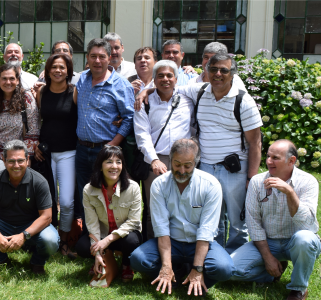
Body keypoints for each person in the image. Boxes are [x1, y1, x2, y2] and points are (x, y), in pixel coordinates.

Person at [171, 53, 262, 253]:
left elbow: (255, 143)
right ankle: (216, 255)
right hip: (205, 168)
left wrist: (251, 178)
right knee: (212, 216)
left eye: (224, 70)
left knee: (238, 219)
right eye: (213, 69)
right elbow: (171, 88)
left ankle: (236, 260)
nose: (218, 74)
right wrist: (146, 91)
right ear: (207, 71)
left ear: (232, 75)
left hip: (235, 171)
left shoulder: (243, 101)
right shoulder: (200, 91)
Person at [130, 139, 234, 297]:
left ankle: (197, 280)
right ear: (170, 160)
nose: (182, 170)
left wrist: (198, 268)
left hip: (199, 243)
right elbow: (161, 228)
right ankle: (174, 277)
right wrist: (165, 265)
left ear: (196, 163)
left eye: (188, 165)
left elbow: (206, 231)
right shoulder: (159, 185)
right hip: (171, 242)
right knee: (138, 259)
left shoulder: (211, 185)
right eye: (177, 164)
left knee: (224, 268)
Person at [230, 140, 320, 300]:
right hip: (269, 242)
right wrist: (268, 258)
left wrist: (290, 192)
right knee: (229, 271)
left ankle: (298, 289)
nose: (269, 161)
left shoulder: (308, 182)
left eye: (275, 158)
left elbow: (307, 224)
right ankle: (271, 273)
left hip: (297, 241)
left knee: (305, 240)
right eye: (268, 156)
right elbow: (253, 223)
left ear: (291, 161)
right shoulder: (257, 182)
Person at [0, 140, 60, 275]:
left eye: (20, 161)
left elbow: (47, 216)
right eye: (11, 161)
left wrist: (24, 235)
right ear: (4, 161)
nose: (16, 165)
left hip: (31, 224)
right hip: (3, 223)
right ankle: (0, 259)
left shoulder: (39, 181)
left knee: (51, 240)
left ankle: (38, 263)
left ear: (28, 160)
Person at [133, 60, 195, 241]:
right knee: (155, 208)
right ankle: (153, 249)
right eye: (160, 75)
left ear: (176, 79)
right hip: (155, 159)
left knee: (183, 205)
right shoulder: (144, 102)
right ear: (154, 79)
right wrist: (153, 160)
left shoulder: (188, 100)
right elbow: (142, 134)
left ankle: (180, 249)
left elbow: (195, 127)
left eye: (169, 75)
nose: (165, 79)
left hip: (183, 160)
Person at [75, 38, 134, 223]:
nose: (97, 61)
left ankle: (110, 237)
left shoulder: (121, 84)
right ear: (87, 58)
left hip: (106, 150)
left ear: (109, 58)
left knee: (108, 197)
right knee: (85, 194)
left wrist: (112, 145)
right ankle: (88, 235)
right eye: (93, 56)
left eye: (102, 56)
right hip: (82, 149)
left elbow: (129, 118)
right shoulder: (82, 79)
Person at [76, 145, 142, 282]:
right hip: (102, 235)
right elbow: (91, 223)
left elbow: (133, 222)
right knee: (82, 247)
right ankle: (103, 258)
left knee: (132, 241)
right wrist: (97, 253)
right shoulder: (89, 190)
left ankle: (126, 263)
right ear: (100, 166)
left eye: (118, 162)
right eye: (109, 162)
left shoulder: (133, 188)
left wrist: (107, 240)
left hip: (123, 237)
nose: (114, 166)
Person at [35, 53, 77, 258]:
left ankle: (65, 239)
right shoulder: (41, 92)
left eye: (62, 67)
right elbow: (36, 122)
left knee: (67, 201)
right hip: (46, 153)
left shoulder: (75, 92)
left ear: (68, 70)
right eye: (54, 67)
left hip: (69, 152)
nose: (58, 71)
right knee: (48, 200)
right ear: (48, 70)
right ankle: (48, 238)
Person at [0, 63, 40, 158]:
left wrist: (26, 156)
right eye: (4, 78)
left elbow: (33, 130)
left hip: (18, 156)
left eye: (11, 78)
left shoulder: (26, 99)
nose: (8, 82)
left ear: (18, 80)